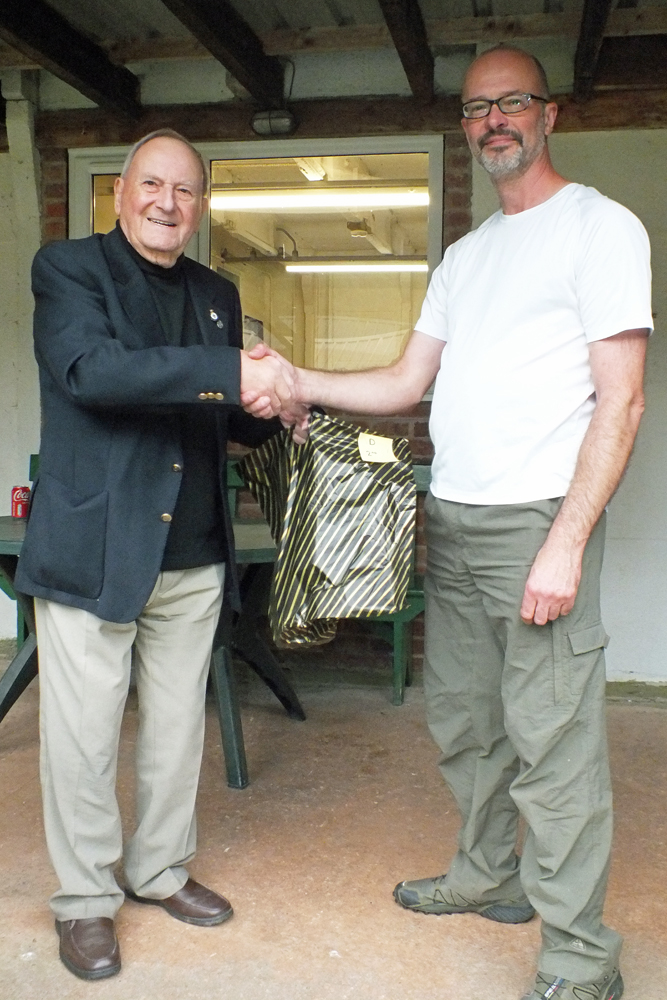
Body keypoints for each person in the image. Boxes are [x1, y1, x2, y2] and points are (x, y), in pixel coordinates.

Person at [241, 47, 652, 1000]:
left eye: (511, 103)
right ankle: (486, 875)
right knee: (466, 721)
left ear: (549, 115)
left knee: (553, 745)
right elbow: (401, 384)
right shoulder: (463, 261)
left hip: (534, 526)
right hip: (454, 521)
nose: (493, 120)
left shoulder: (600, 229)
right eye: (476, 108)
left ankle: (582, 955)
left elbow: (620, 403)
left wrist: (565, 540)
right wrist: (296, 381)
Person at [15, 129, 300, 981]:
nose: (166, 203)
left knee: (177, 731)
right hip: (95, 546)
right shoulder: (67, 271)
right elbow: (95, 374)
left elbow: (220, 409)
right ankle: (84, 900)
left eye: (184, 190)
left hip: (194, 547)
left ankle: (158, 869)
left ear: (200, 205)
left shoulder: (216, 290)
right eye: (152, 184)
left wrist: (271, 405)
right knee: (84, 737)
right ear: (121, 191)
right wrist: (228, 369)